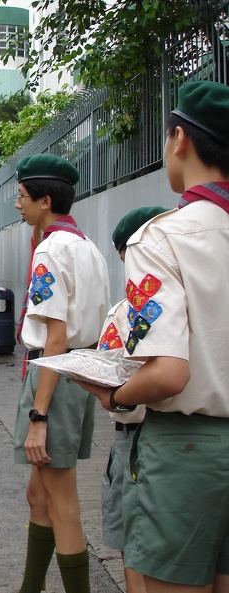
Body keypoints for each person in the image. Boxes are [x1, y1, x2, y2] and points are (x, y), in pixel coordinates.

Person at [75, 80, 229, 593]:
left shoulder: (160, 237)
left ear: (179, 139)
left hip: (188, 451)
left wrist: (116, 395)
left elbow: (168, 373)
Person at [12, 154, 111, 593]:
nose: (18, 205)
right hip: (78, 369)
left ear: (45, 201)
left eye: (22, 196)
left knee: (63, 501)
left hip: (55, 373)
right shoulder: (88, 247)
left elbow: (54, 338)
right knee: (39, 495)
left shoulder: (50, 250)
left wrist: (39, 416)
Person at [96, 206, 166, 593]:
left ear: (126, 253)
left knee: (134, 545)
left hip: (135, 438)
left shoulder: (124, 313)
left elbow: (107, 380)